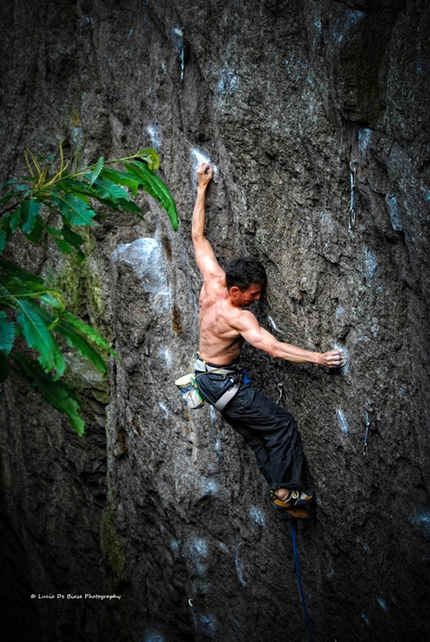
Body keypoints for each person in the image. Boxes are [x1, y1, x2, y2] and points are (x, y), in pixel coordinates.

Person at [191, 162, 346, 518]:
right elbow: (273, 348)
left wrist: (201, 187)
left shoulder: (212, 279)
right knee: (282, 425)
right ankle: (287, 493)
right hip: (223, 385)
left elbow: (198, 238)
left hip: (206, 379)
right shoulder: (238, 316)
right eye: (253, 295)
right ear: (235, 290)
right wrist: (319, 359)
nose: (257, 300)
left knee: (258, 435)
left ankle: (281, 492)